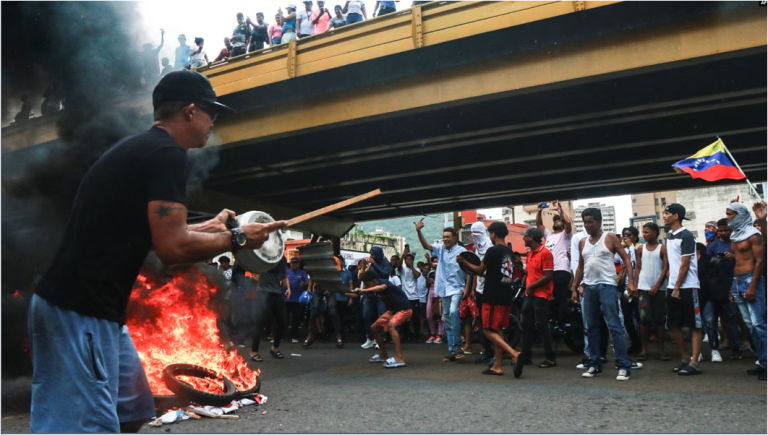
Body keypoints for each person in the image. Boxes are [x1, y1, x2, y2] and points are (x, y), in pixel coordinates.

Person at [28, 70, 286, 433]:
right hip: (78, 311)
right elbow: (172, 249)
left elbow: (153, 234)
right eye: (212, 112)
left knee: (132, 410)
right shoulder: (167, 154)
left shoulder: (142, 148)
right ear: (191, 111)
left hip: (98, 313)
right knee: (85, 427)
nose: (214, 121)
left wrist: (208, 228)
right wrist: (240, 239)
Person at [572, 207, 635, 381]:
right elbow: (580, 267)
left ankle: (623, 366)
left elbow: (626, 259)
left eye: (590, 222)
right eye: (585, 222)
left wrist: (631, 281)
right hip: (589, 288)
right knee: (591, 327)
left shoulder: (610, 238)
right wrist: (575, 288)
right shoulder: (583, 242)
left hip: (607, 286)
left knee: (614, 326)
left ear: (599, 222)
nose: (587, 225)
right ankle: (595, 364)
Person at [457, 222, 524, 377]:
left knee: (487, 329)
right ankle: (497, 366)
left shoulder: (492, 250)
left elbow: (480, 269)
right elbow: (497, 273)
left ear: (493, 234)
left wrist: (463, 262)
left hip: (493, 296)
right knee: (498, 329)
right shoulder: (508, 250)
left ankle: (514, 353)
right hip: (506, 295)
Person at [415, 219, 468, 361]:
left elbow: (470, 270)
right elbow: (426, 245)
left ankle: (457, 345)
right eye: (444, 237)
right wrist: (418, 230)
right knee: (447, 320)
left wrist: (468, 288)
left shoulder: (462, 251)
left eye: (448, 237)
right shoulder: (441, 249)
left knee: (453, 313)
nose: (445, 239)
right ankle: (452, 351)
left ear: (454, 238)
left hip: (457, 288)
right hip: (444, 289)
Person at [662, 203, 704, 375]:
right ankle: (685, 358)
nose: (664, 216)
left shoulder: (687, 236)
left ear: (676, 216)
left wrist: (678, 286)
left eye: (666, 213)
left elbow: (685, 265)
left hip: (688, 286)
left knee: (694, 325)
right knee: (673, 324)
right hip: (673, 286)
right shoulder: (670, 235)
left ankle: (695, 362)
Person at [726, 201, 767, 379]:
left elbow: (759, 261)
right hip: (737, 281)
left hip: (752, 280)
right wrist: (732, 287)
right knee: (750, 325)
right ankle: (762, 362)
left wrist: (752, 285)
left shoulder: (754, 235)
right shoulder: (736, 235)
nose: (727, 217)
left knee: (759, 324)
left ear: (740, 215)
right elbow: (739, 259)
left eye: (730, 214)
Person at [703, 218, 744, 360]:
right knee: (711, 319)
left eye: (726, 230)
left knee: (732, 318)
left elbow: (746, 260)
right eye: (720, 231)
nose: (723, 233)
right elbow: (706, 266)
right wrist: (717, 261)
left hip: (733, 286)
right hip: (715, 288)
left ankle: (736, 348)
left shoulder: (737, 244)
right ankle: (715, 348)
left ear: (731, 229)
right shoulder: (712, 246)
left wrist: (733, 257)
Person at [356, 271, 411, 368]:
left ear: (373, 281)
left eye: (367, 284)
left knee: (391, 325)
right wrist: (345, 292)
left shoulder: (383, 282)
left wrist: (364, 291)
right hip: (393, 311)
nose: (366, 286)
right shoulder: (372, 289)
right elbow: (355, 295)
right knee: (374, 328)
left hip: (404, 310)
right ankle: (384, 355)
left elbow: (382, 288)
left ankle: (399, 357)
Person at [520, 228, 557, 368]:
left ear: (532, 238)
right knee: (526, 325)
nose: (523, 239)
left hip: (541, 295)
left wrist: (532, 286)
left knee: (542, 325)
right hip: (530, 295)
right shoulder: (530, 253)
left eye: (525, 237)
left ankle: (550, 358)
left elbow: (548, 276)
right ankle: (526, 356)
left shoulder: (545, 253)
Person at [635, 222, 670, 361]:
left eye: (647, 232)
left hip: (659, 289)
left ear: (655, 233)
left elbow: (665, 268)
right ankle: (644, 350)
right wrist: (636, 284)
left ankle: (661, 350)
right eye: (643, 232)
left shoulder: (662, 248)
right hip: (643, 289)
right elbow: (637, 267)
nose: (644, 234)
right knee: (644, 320)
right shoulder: (640, 249)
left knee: (660, 320)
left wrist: (657, 285)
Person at [536, 200, 572, 332]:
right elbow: (539, 224)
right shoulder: (549, 235)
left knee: (561, 297)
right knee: (549, 299)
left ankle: (562, 324)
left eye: (559, 220)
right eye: (555, 220)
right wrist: (539, 211)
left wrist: (559, 209)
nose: (556, 222)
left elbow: (568, 223)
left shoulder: (566, 235)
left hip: (561, 270)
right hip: (549, 272)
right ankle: (552, 322)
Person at [250, 257, 291, 362]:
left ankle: (275, 348)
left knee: (283, 322)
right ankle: (254, 351)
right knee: (260, 322)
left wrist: (288, 288)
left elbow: (284, 276)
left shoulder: (282, 260)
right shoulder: (265, 256)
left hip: (276, 293)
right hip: (263, 292)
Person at [469, 222, 494, 364]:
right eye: (473, 233)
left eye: (477, 233)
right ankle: (486, 350)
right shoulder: (475, 248)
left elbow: (483, 270)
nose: (475, 236)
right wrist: (472, 289)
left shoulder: (490, 246)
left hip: (489, 290)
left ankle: (494, 352)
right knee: (480, 321)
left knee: (489, 322)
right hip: (479, 290)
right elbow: (474, 271)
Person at [617, 227, 641, 356]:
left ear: (635, 237)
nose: (625, 237)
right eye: (623, 234)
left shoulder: (639, 249)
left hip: (639, 287)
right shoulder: (622, 250)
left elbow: (636, 264)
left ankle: (643, 344)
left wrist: (631, 247)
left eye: (628, 235)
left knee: (640, 317)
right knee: (626, 317)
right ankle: (634, 342)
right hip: (626, 289)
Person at [398, 250, 422, 342]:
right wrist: (403, 255)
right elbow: (398, 266)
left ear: (413, 260)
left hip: (415, 297)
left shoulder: (417, 269)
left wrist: (412, 266)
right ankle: (405, 335)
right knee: (404, 318)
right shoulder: (402, 270)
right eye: (406, 259)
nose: (408, 260)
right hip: (405, 297)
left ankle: (417, 336)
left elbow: (417, 275)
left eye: (410, 259)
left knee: (415, 318)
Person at [285, 257, 309, 343]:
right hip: (286, 299)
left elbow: (307, 282)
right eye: (292, 263)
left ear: (298, 264)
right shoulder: (286, 272)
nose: (293, 265)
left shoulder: (302, 273)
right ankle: (282, 336)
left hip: (297, 299)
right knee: (284, 318)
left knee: (296, 319)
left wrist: (304, 283)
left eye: (295, 263)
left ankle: (294, 336)